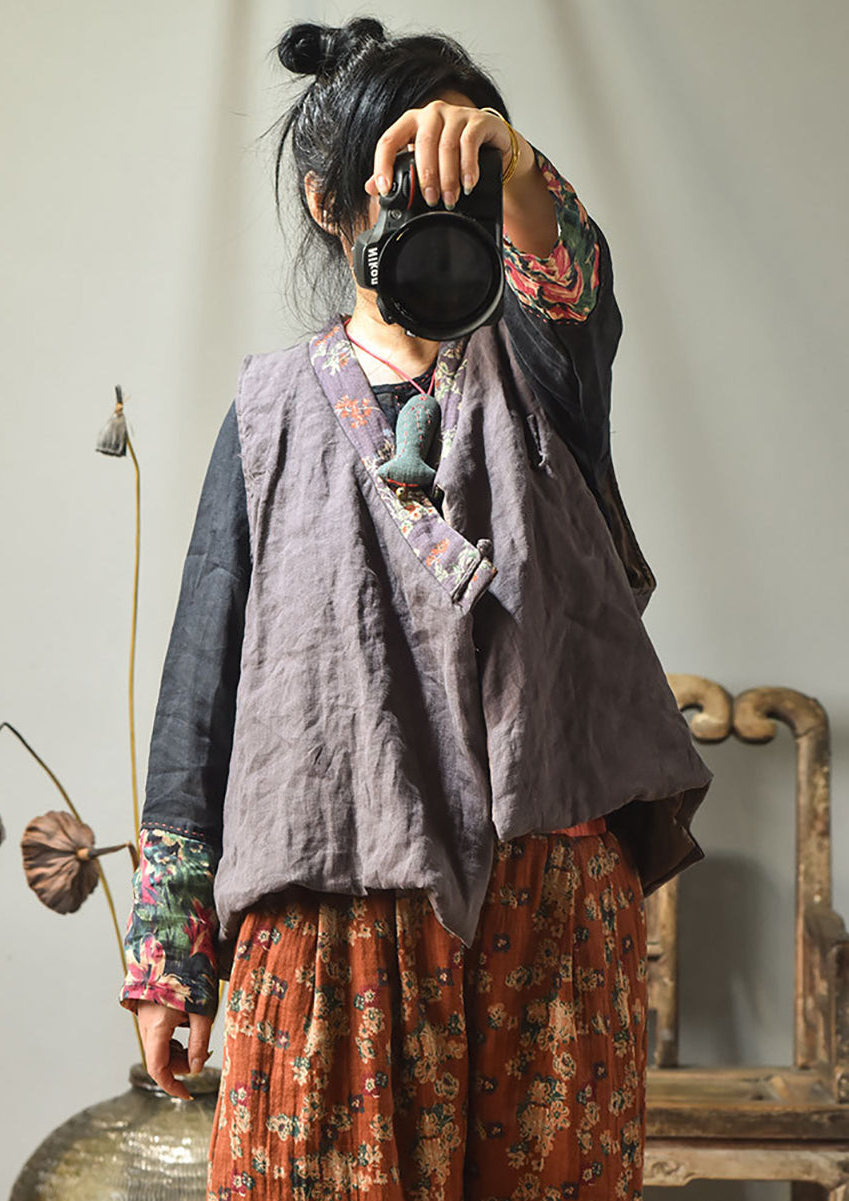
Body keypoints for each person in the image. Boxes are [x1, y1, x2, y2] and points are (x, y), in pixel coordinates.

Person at [119, 18, 713, 1200]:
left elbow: (576, 284)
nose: (440, 202)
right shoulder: (269, 411)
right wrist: (170, 955)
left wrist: (517, 165)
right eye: (403, 177)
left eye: (467, 176)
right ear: (329, 202)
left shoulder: (547, 367)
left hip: (548, 917)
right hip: (329, 916)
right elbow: (200, 682)